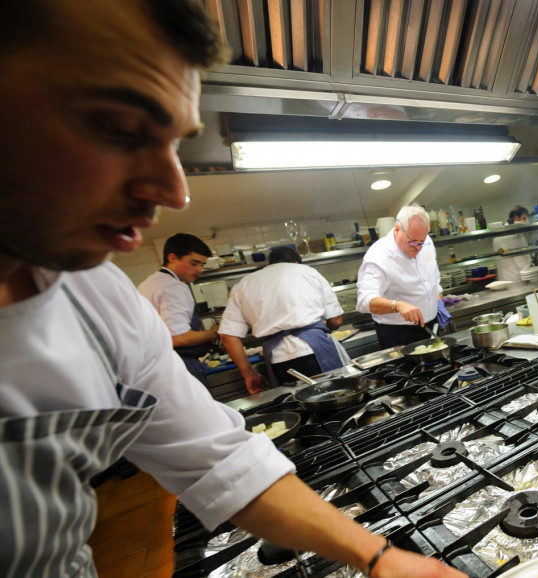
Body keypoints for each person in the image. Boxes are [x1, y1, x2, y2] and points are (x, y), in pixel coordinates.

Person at [0, 1, 465, 577]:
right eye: (119, 128)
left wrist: (379, 557)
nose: (175, 190)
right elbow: (344, 315)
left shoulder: (100, 302)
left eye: (176, 143)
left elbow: (217, 459)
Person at [219, 246, 352, 393]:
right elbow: (336, 320)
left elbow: (227, 336)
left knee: (296, 404)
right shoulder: (307, 272)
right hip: (316, 349)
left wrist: (249, 375)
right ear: (296, 263)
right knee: (338, 395)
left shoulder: (242, 285)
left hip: (278, 359)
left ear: (270, 264)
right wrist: (324, 327)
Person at [137, 232, 220, 386]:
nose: (199, 270)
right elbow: (179, 338)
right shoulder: (173, 287)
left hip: (155, 367)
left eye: (202, 264)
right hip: (180, 365)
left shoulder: (148, 283)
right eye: (194, 263)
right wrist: (213, 333)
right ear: (172, 257)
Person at [357, 205, 444, 349]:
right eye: (412, 242)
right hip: (399, 334)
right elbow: (364, 301)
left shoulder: (425, 240)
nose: (418, 247)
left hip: (431, 327)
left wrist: (437, 294)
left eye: (422, 242)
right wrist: (397, 305)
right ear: (397, 229)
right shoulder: (378, 255)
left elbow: (433, 274)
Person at [492, 205, 532, 282]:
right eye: (524, 218)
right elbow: (522, 263)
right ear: (516, 217)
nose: (525, 221)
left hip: (503, 281)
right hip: (517, 281)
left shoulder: (497, 235)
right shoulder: (515, 235)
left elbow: (502, 253)